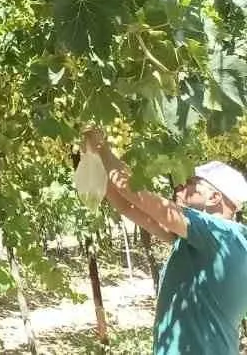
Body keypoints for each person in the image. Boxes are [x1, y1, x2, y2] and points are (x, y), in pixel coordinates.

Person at [81, 127, 247, 354]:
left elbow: (137, 194)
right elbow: (127, 206)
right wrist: (99, 161)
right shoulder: (225, 240)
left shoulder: (215, 232)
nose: (180, 184)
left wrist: (101, 147)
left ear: (215, 197)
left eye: (191, 181)